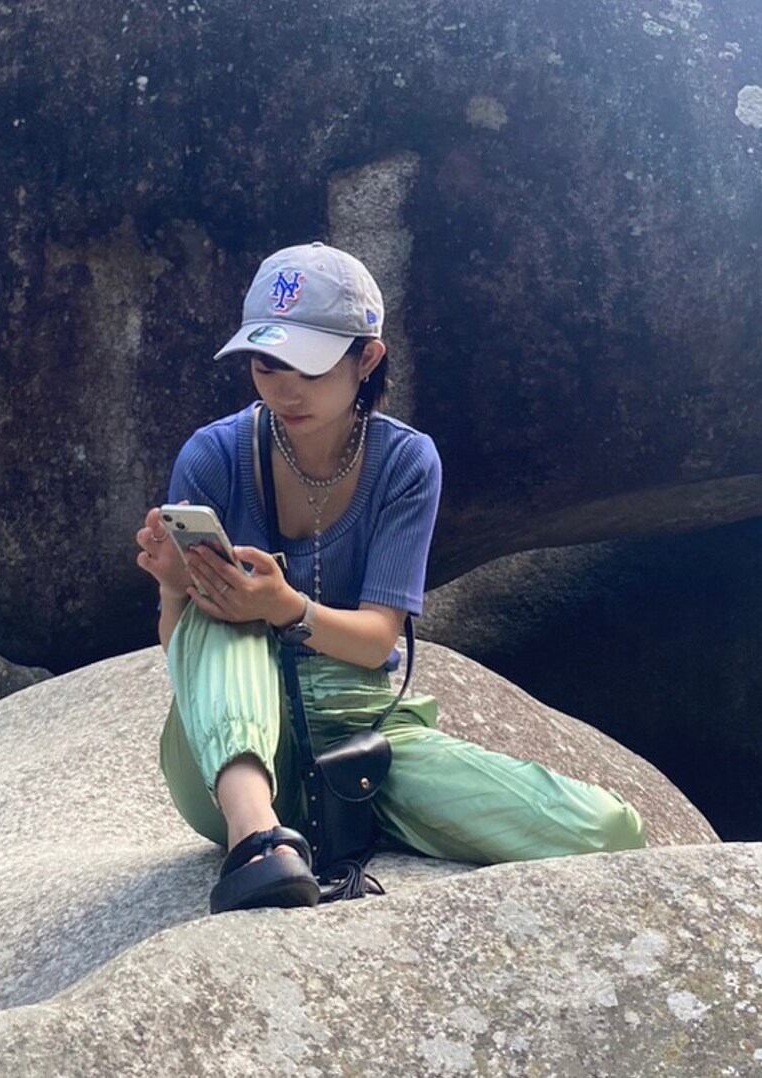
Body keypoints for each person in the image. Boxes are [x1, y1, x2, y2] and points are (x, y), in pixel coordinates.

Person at [137, 241, 646, 913]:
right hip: (227, 761)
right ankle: (257, 841)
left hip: (364, 739)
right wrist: (176, 588)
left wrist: (286, 605)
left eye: (310, 367)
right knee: (226, 610)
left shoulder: (406, 462)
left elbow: (378, 639)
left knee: (609, 830)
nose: (284, 389)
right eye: (266, 364)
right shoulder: (213, 456)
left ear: (368, 359)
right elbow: (185, 654)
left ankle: (311, 827)